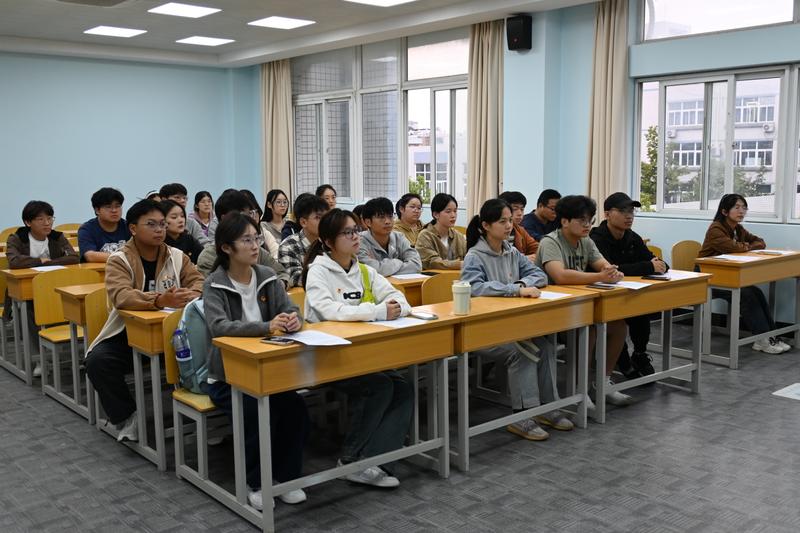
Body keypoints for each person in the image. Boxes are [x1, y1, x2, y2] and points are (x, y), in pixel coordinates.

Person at [203, 212, 309, 510]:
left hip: (268, 370)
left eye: (256, 238)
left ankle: (287, 477)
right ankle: (257, 482)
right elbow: (219, 327)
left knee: (295, 409)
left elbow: (291, 309)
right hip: (228, 376)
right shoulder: (214, 284)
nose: (255, 245)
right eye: (247, 240)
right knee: (256, 411)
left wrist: (293, 320)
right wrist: (266, 327)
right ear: (226, 247)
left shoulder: (266, 276)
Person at [303, 208, 413, 488]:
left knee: (402, 386)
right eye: (347, 233)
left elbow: (398, 298)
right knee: (380, 387)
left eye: (356, 231)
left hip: (363, 354)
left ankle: (377, 461)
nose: (356, 237)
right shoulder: (318, 272)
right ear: (328, 241)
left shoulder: (363, 270)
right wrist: (376, 311)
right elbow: (328, 310)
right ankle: (351, 461)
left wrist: (395, 307)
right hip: (327, 357)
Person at [85, 199, 204, 443]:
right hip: (127, 333)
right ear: (133, 228)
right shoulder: (119, 259)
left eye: (162, 224)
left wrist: (191, 294)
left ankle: (208, 415)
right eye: (151, 224)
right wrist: (159, 300)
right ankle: (128, 417)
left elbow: (199, 281)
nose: (159, 230)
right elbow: (122, 296)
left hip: (176, 332)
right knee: (97, 362)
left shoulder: (177, 256)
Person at [461, 199, 573, 441]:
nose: (509, 226)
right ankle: (522, 415)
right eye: (502, 221)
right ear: (486, 225)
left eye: (510, 221)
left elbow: (539, 275)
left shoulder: (511, 251)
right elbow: (474, 288)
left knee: (545, 345)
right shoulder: (475, 256)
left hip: (511, 325)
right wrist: (515, 290)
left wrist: (522, 283)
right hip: (483, 329)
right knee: (523, 352)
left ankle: (548, 407)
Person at [533, 195, 633, 407]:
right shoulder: (550, 242)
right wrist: (600, 276)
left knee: (619, 326)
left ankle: (602, 382)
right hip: (550, 310)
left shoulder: (586, 241)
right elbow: (560, 276)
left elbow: (602, 264)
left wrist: (612, 272)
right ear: (565, 221)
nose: (587, 225)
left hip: (578, 305)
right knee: (590, 329)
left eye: (590, 220)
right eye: (582, 220)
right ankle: (580, 388)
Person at [698, 193, 789, 354]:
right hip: (706, 276)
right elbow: (734, 248)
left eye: (744, 208)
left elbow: (760, 242)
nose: (742, 211)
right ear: (725, 211)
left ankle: (771, 336)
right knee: (746, 295)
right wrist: (744, 246)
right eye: (737, 207)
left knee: (755, 292)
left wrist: (745, 245)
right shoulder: (716, 228)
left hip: (725, 274)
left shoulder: (737, 228)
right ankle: (761, 339)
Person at [590, 192, 667, 379]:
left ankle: (639, 354)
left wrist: (657, 265)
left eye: (631, 211)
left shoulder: (632, 237)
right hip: (603, 295)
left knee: (641, 311)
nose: (629, 216)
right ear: (607, 214)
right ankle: (621, 359)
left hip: (629, 292)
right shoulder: (596, 238)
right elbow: (611, 269)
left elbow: (658, 263)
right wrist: (648, 266)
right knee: (617, 321)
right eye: (623, 211)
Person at [4, 200, 80, 377]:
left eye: (50, 218)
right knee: (28, 310)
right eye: (40, 219)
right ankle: (39, 359)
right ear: (28, 222)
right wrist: (40, 261)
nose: (47, 223)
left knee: (69, 304)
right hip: (25, 291)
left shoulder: (57, 237)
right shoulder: (17, 238)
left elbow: (74, 257)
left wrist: (48, 262)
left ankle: (70, 354)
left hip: (54, 287)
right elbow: (14, 261)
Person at [195, 190, 289, 286]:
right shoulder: (208, 258)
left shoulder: (257, 250)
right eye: (243, 215)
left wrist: (279, 286)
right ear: (225, 218)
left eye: (250, 214)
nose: (249, 220)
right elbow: (217, 289)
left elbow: (282, 273)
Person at [357, 197, 421, 276]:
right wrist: (397, 262)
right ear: (368, 222)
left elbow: (416, 265)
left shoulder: (399, 237)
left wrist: (382, 267)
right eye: (381, 217)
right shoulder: (359, 241)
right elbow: (369, 270)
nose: (388, 221)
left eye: (390, 216)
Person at [278, 194, 329, 288]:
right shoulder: (288, 246)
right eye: (318, 218)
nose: (324, 222)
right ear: (303, 222)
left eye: (326, 218)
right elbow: (296, 278)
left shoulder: (331, 243)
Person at [78, 187, 130, 263]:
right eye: (108, 207)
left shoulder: (128, 226)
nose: (114, 210)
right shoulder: (87, 229)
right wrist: (123, 257)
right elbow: (90, 256)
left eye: (117, 206)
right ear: (97, 210)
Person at [415, 193, 466, 270]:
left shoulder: (458, 236)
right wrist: (459, 264)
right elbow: (433, 262)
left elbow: (469, 256)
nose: (453, 215)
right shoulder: (425, 236)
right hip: (434, 277)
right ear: (436, 214)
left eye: (455, 211)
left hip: (458, 276)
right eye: (448, 211)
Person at [161, 199, 204, 264]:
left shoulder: (189, 239)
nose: (181, 220)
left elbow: (204, 258)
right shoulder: (160, 242)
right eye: (174, 217)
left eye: (182, 216)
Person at [498, 191, 538, 260]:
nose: (520, 213)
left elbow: (536, 247)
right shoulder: (494, 230)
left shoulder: (519, 230)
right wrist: (523, 259)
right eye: (515, 209)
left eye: (522, 209)